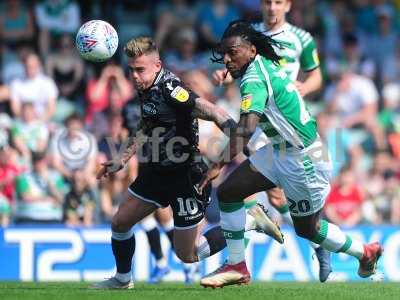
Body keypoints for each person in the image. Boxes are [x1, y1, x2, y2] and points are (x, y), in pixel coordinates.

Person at [198, 20, 383, 288]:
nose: (226, 59)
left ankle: (364, 252)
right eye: (224, 54)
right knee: (228, 192)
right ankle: (237, 265)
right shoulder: (264, 64)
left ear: (251, 50)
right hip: (282, 149)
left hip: (304, 159)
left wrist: (216, 164)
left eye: (233, 53)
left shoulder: (254, 78)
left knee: (308, 230)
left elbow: (247, 129)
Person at [91, 36, 282, 289]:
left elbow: (215, 113)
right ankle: (123, 280)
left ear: (157, 65)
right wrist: (122, 159)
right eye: (132, 70)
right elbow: (146, 124)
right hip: (157, 172)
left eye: (140, 70)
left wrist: (248, 147)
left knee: (188, 254)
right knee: (120, 222)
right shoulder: (146, 89)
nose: (135, 76)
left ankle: (250, 220)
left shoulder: (172, 90)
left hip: (186, 177)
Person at [212, 0, 331, 282]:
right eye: (267, 1)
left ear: (288, 5)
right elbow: (236, 66)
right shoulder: (246, 35)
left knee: (278, 196)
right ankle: (250, 245)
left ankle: (310, 238)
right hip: (259, 117)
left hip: (286, 119)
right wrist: (225, 76)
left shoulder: (302, 39)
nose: (272, 7)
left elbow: (317, 77)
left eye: (278, 2)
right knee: (263, 194)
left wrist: (302, 86)